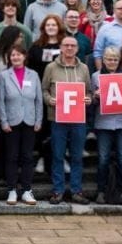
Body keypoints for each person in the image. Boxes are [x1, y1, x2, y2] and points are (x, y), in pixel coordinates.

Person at [42, 37, 93, 205]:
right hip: (58, 119)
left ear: (77, 49)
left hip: (78, 119)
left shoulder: (84, 68)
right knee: (58, 155)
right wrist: (50, 100)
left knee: (77, 156)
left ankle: (76, 190)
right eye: (66, 45)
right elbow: (44, 90)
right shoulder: (51, 68)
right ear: (61, 47)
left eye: (73, 45)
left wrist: (88, 99)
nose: (69, 48)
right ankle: (58, 190)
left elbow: (90, 92)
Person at [0, 44, 43, 206]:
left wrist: (38, 120)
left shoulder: (34, 75)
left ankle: (26, 190)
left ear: (24, 56)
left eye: (18, 55)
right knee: (11, 157)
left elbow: (38, 100)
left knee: (28, 157)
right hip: (11, 122)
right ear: (9, 58)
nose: (16, 58)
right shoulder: (4, 76)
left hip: (30, 121)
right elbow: (1, 100)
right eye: (12, 55)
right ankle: (12, 190)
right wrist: (3, 121)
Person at [90, 46, 122, 205]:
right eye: (109, 59)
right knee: (103, 159)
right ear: (103, 60)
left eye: (115, 59)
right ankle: (101, 191)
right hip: (103, 123)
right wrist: (96, 97)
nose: (112, 62)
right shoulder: (96, 77)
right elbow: (92, 101)